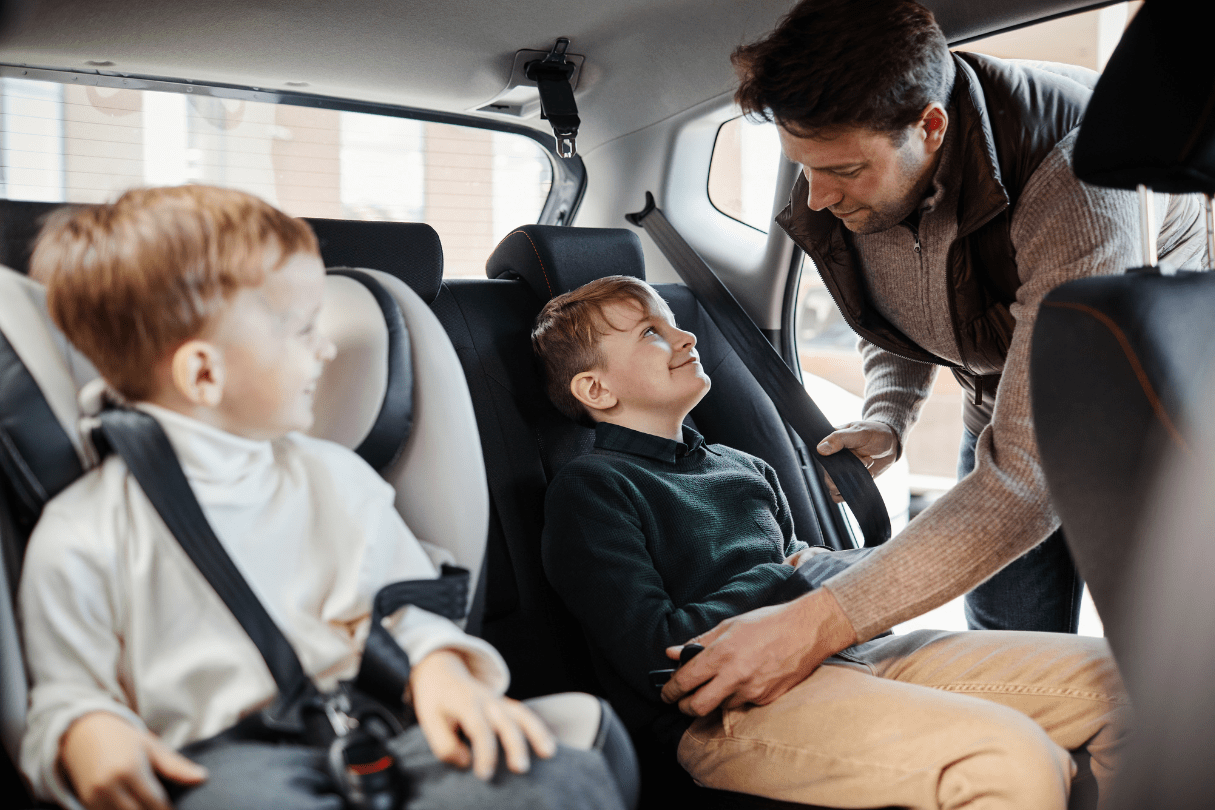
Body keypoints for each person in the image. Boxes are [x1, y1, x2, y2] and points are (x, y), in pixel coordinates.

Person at [657, 0, 1208, 717]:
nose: (816, 198)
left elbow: (1030, 471)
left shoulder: (1070, 176)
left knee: (1158, 675)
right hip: (998, 407)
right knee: (1007, 639)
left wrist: (815, 622)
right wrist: (888, 416)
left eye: (843, 170)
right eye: (803, 168)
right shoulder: (846, 172)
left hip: (1145, 414)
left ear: (930, 126)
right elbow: (901, 303)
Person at [17, 185, 631, 810]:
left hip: (374, 733)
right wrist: (87, 729)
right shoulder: (83, 532)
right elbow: (67, 693)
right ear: (203, 373)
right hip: (218, 765)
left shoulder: (332, 477)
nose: (328, 347)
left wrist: (438, 668)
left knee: (554, 776)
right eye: (304, 329)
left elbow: (406, 607)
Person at [534, 274, 1129, 809]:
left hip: (842, 650)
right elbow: (658, 654)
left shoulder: (742, 466)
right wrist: (798, 577)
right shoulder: (592, 489)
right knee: (1010, 758)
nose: (685, 336)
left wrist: (824, 578)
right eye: (650, 333)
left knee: (1128, 683)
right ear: (596, 389)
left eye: (674, 321)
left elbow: (802, 571)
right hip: (729, 713)